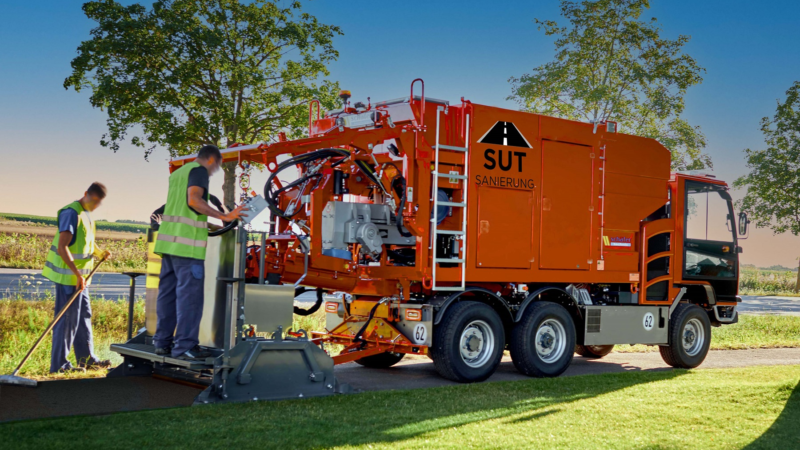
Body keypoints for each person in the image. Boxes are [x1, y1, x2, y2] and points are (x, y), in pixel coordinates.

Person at [153, 145, 246, 359]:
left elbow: (182, 209)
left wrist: (210, 225)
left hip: (169, 244)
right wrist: (225, 217)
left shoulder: (178, 173)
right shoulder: (199, 171)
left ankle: (162, 342)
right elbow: (194, 201)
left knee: (167, 296)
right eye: (218, 166)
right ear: (212, 160)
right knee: (190, 298)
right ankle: (185, 347)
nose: (216, 171)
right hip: (188, 247)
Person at [43, 182, 113, 373]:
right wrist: (76, 275)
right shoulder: (70, 213)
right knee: (67, 323)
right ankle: (59, 366)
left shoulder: (86, 216)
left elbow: (86, 244)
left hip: (81, 280)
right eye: (94, 200)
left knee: (83, 319)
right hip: (69, 280)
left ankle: (87, 359)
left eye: (99, 203)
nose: (95, 205)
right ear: (86, 194)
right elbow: (63, 247)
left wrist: (99, 253)